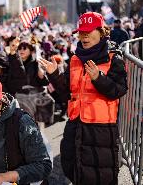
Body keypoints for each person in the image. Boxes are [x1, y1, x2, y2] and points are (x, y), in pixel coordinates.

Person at [39, 12, 128, 185]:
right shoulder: (75, 59)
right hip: (75, 127)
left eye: (88, 32)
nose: (84, 36)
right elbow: (66, 93)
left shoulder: (113, 58)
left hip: (100, 132)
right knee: (74, 170)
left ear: (102, 32)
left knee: (101, 177)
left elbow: (119, 90)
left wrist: (98, 78)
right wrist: (54, 74)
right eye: (81, 32)